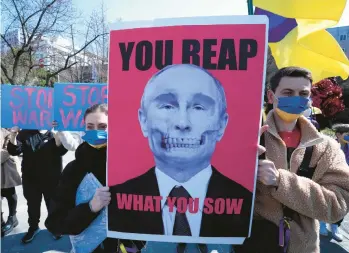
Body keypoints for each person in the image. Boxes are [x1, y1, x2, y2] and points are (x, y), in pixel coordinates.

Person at [109, 64, 252, 243]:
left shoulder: (249, 204)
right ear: (143, 120)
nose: (182, 122)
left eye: (199, 107)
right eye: (167, 106)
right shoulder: (114, 201)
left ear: (221, 124)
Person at [235, 67, 349, 253]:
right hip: (253, 245)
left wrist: (281, 181)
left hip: (305, 248)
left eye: (303, 93)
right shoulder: (249, 139)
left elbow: (337, 206)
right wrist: (241, 162)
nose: (296, 98)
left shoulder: (327, 147)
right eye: (288, 92)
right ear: (271, 97)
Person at [45, 104, 144, 253]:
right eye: (90, 127)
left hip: (127, 248)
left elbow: (147, 209)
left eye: (102, 126)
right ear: (83, 128)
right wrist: (90, 208)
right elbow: (55, 223)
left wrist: (137, 244)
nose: (96, 132)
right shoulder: (73, 170)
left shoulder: (129, 166)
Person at [7, 124, 76, 243]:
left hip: (52, 178)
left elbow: (61, 151)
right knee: (33, 205)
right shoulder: (25, 132)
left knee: (53, 205)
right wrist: (13, 135)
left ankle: (55, 228)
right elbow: (14, 151)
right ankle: (33, 227)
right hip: (30, 178)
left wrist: (58, 138)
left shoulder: (53, 132)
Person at [319, 122, 349, 241]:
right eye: (347, 134)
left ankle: (335, 225)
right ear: (338, 134)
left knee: (344, 204)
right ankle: (322, 222)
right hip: (330, 179)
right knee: (327, 200)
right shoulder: (330, 145)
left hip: (345, 181)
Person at [1, 128, 21, 237]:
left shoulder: (5, 129)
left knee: (9, 193)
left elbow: (9, 149)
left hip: (5, 169)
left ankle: (12, 217)